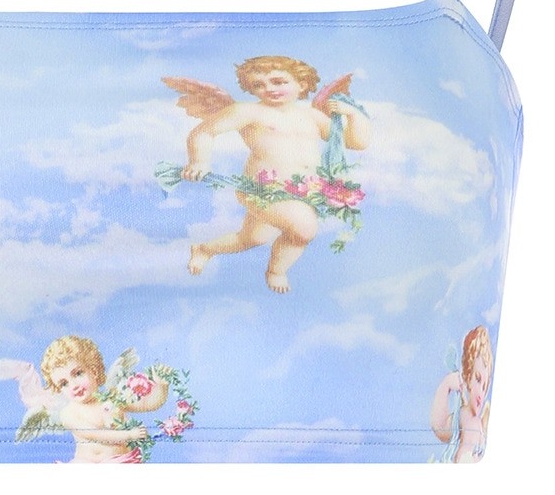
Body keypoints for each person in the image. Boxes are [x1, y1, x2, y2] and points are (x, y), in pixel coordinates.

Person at [176, 55, 370, 292]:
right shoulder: (248, 111)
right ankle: (276, 271)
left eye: (278, 81)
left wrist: (354, 115)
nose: (269, 88)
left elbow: (355, 143)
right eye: (259, 85)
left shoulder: (312, 116)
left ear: (301, 83)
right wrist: (199, 161)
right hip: (263, 190)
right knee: (304, 229)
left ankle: (204, 249)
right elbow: (204, 132)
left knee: (251, 239)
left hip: (303, 192)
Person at [40, 335, 168, 463]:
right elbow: (96, 434)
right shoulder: (69, 413)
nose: (74, 386)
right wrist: (129, 435)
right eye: (64, 384)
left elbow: (147, 404)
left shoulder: (112, 398)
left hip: (125, 462)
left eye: (78, 373)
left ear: (94, 371)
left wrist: (162, 386)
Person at [430, 325, 493, 463]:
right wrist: (446, 385)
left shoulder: (478, 423)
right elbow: (440, 428)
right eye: (477, 379)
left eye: (485, 387)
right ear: (468, 377)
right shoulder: (463, 415)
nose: (481, 393)